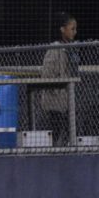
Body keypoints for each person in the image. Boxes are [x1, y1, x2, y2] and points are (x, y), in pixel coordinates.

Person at [40, 12, 79, 146]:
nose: (75, 32)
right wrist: (57, 91)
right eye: (72, 29)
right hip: (55, 101)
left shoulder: (71, 49)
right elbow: (47, 74)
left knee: (69, 130)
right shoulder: (55, 48)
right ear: (62, 29)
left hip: (66, 100)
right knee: (56, 131)